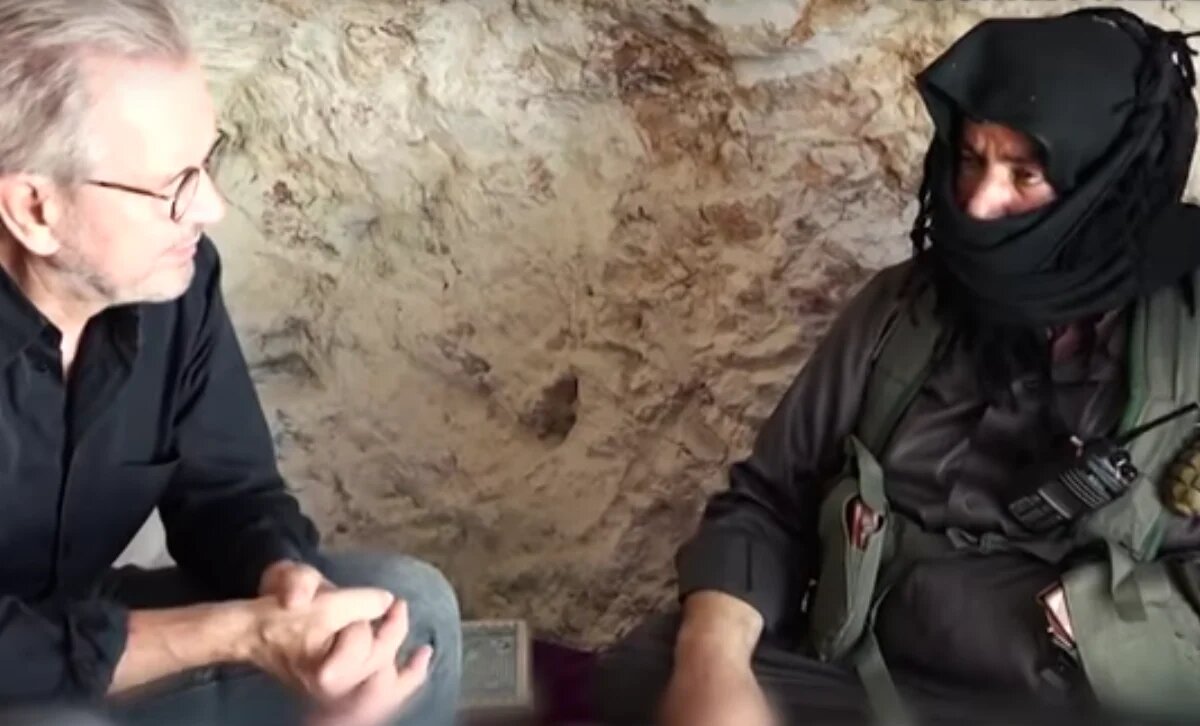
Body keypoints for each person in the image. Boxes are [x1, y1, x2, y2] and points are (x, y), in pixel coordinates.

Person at [595, 8, 1200, 726]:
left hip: (1073, 705)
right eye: (971, 159)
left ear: (1106, 185)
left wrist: (1105, 618)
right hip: (877, 684)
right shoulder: (902, 309)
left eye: (1025, 174)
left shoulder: (1188, 337)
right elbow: (768, 503)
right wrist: (714, 666)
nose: (980, 203)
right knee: (650, 670)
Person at [0, 1, 461, 725]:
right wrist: (236, 634)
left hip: (87, 631)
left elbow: (228, 495)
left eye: (207, 163)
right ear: (33, 208)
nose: (210, 207)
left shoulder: (171, 287)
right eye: (172, 186)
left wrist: (288, 585)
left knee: (407, 615)